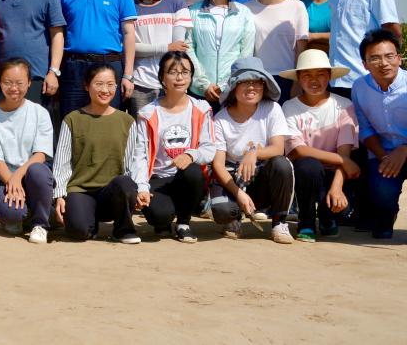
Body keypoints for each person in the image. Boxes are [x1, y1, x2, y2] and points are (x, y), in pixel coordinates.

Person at [52, 64, 143, 244]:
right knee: (78, 231)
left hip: (112, 192)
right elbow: (62, 162)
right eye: (99, 84)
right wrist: (60, 195)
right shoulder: (72, 119)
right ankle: (88, 220)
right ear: (87, 86)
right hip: (81, 189)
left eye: (110, 84)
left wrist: (137, 191)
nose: (105, 90)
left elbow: (132, 162)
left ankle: (123, 229)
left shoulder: (127, 121)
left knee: (125, 183)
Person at [208, 57, 296, 244]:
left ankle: (279, 223)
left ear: (264, 85)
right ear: (234, 87)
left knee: (282, 164)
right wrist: (238, 193)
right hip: (232, 178)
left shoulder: (272, 109)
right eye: (244, 82)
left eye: (257, 82)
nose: (251, 88)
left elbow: (278, 148)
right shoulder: (220, 119)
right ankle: (234, 218)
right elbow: (218, 164)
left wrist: (253, 153)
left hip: (261, 177)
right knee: (223, 211)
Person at [131, 52, 215, 242]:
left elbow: (209, 149)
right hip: (158, 179)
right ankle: (164, 220)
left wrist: (191, 155)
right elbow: (140, 154)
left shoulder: (202, 108)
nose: (179, 78)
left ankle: (184, 222)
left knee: (193, 171)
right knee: (159, 216)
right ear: (162, 77)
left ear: (191, 77)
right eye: (173, 72)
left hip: (186, 179)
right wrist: (142, 187)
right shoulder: (148, 113)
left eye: (185, 72)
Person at [280, 49, 359, 242]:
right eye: (307, 75)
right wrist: (342, 160)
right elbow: (299, 150)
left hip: (335, 173)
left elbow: (345, 152)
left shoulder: (344, 105)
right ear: (298, 78)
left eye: (320, 74)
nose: (314, 80)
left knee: (342, 206)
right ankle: (306, 220)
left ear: (329, 76)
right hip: (305, 173)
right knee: (309, 165)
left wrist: (337, 187)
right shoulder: (289, 107)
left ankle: (326, 216)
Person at [58, 0, 137, 117]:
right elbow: (58, 33)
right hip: (74, 67)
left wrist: (128, 75)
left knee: (109, 122)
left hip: (109, 65)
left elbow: (129, 33)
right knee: (73, 121)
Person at [0, 59, 55, 244]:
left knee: (39, 170)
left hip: (31, 175)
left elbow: (40, 154)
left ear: (29, 83)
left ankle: (40, 224)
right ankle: (31, 212)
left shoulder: (39, 112)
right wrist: (11, 180)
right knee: (12, 215)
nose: (14, 88)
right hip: (4, 177)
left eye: (19, 83)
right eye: (8, 82)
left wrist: (18, 177)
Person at [119, 0, 191, 116]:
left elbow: (178, 48)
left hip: (171, 83)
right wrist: (166, 47)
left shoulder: (177, 4)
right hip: (140, 84)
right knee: (142, 130)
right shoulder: (129, 7)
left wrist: (152, 48)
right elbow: (129, 48)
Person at [351, 29, 407, 239]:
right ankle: (386, 215)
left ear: (399, 58)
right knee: (382, 194)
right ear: (365, 64)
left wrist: (404, 150)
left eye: (389, 56)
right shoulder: (359, 87)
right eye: (374, 58)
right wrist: (384, 156)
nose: (383, 63)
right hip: (382, 153)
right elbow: (365, 128)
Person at [188, 0, 255, 109]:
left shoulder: (244, 12)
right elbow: (189, 48)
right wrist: (204, 85)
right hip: (199, 91)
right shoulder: (193, 11)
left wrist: (226, 85)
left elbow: (246, 53)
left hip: (232, 89)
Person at [247, 0, 308, 103]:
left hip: (288, 77)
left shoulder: (297, 6)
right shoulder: (247, 8)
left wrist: (297, 81)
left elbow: (301, 47)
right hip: (257, 78)